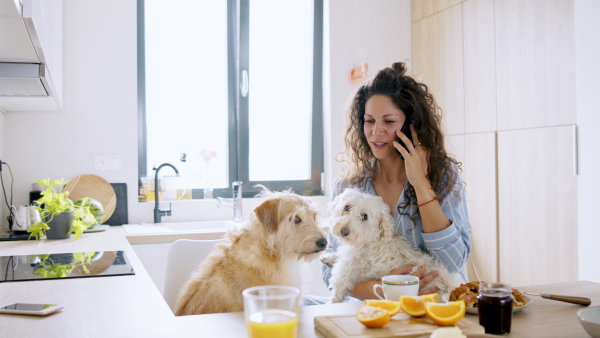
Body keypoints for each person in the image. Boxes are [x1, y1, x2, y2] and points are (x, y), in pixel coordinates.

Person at [322, 61, 472, 301]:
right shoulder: (349, 185)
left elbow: (453, 262)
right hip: (371, 311)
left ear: (411, 125)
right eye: (369, 121)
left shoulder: (443, 175)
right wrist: (382, 288)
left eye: (389, 122)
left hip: (435, 306)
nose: (376, 131)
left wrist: (421, 183)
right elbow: (329, 263)